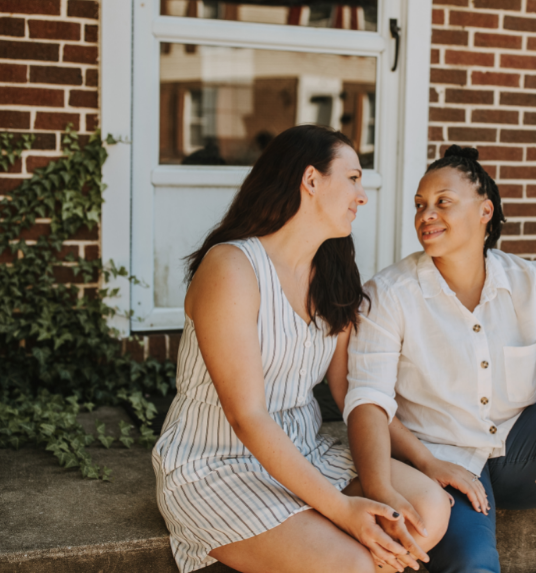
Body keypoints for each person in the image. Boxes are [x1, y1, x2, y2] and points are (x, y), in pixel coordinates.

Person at [152, 125, 451, 573]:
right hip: (217, 465)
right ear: (311, 180)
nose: (362, 195)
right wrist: (342, 509)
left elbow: (352, 388)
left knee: (427, 511)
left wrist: (423, 459)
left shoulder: (331, 272)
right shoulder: (232, 267)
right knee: (355, 564)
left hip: (307, 448)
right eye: (352, 178)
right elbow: (246, 416)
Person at [345, 145, 536, 573]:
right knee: (473, 564)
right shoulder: (388, 294)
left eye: (443, 202)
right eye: (420, 205)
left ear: (484, 211)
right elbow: (370, 402)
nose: (425, 215)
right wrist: (424, 461)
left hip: (520, 451)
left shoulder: (530, 280)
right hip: (437, 459)